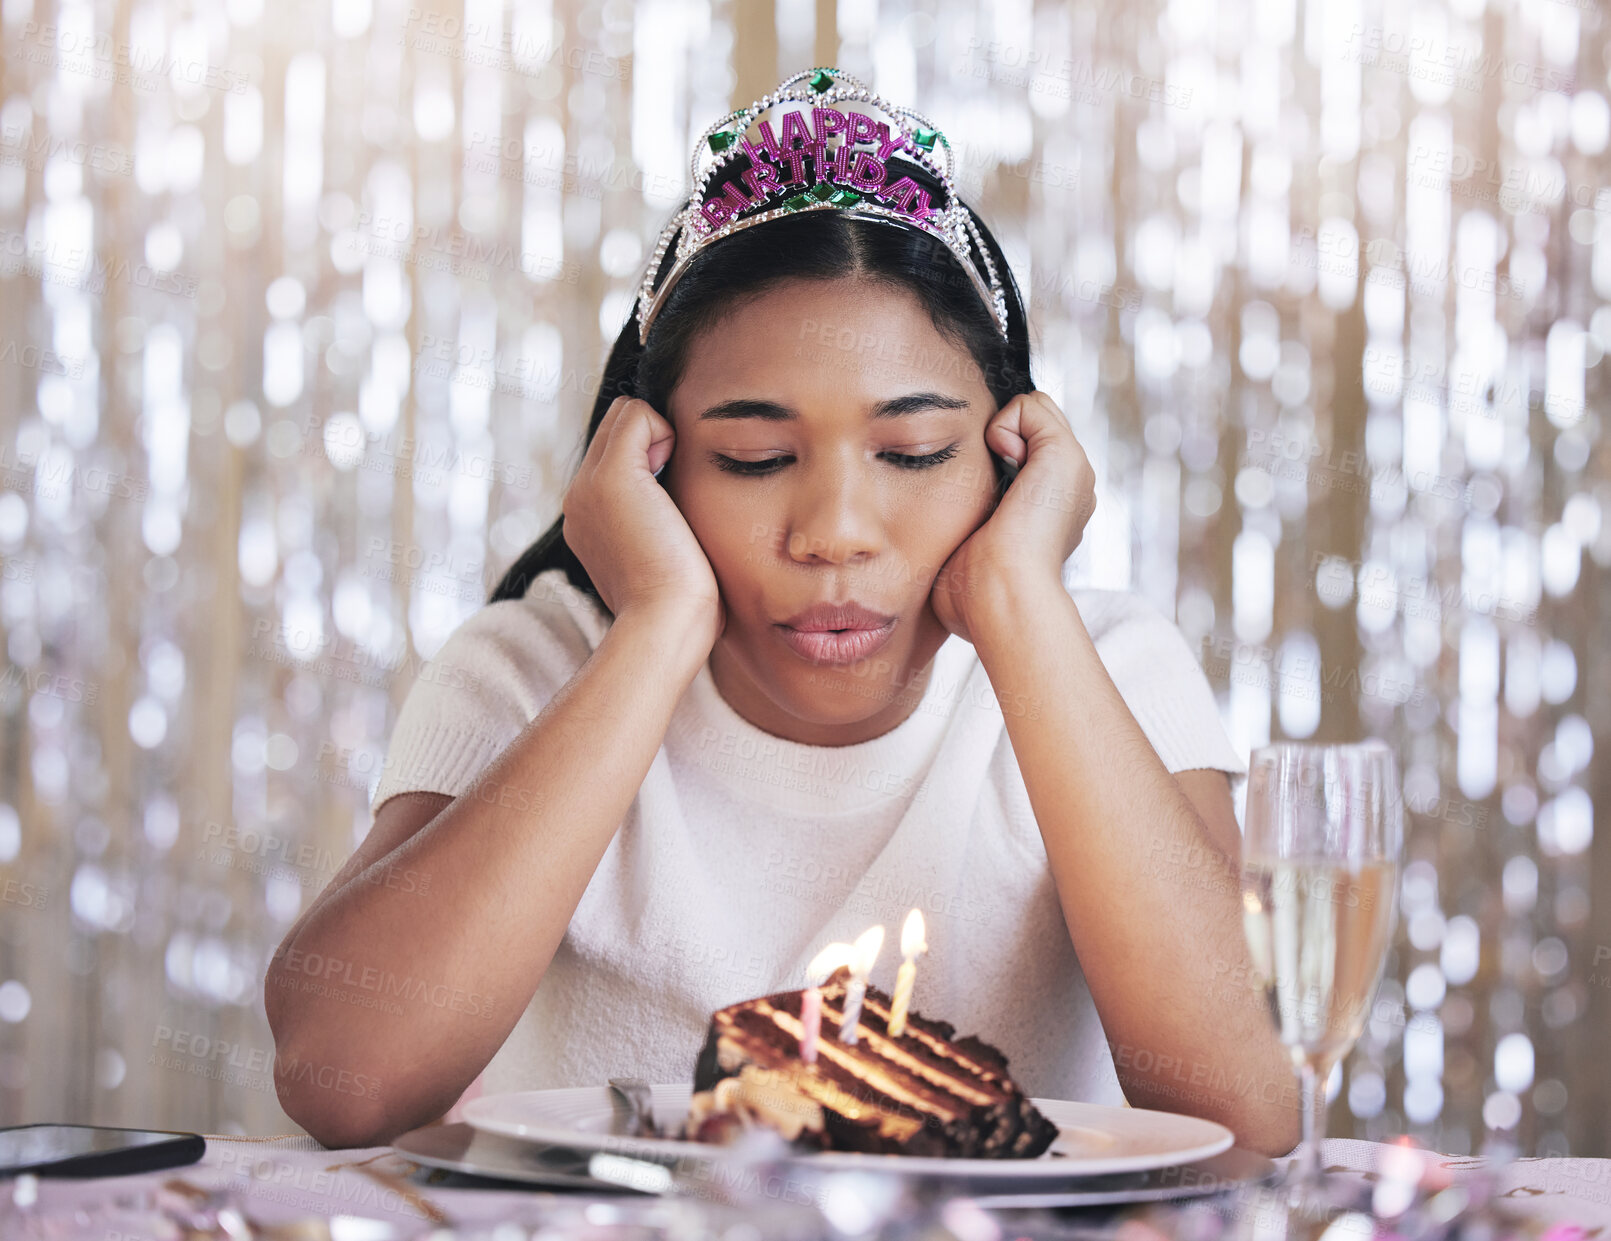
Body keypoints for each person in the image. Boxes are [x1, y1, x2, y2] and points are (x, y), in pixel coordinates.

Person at [265, 69, 1300, 1156]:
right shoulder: (534, 665)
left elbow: (1251, 1107)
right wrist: (657, 626)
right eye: (755, 458)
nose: (835, 531)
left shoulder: (1106, 666)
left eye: (912, 452)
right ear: (653, 465)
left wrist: (1022, 606)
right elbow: (343, 1077)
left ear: (1009, 456)